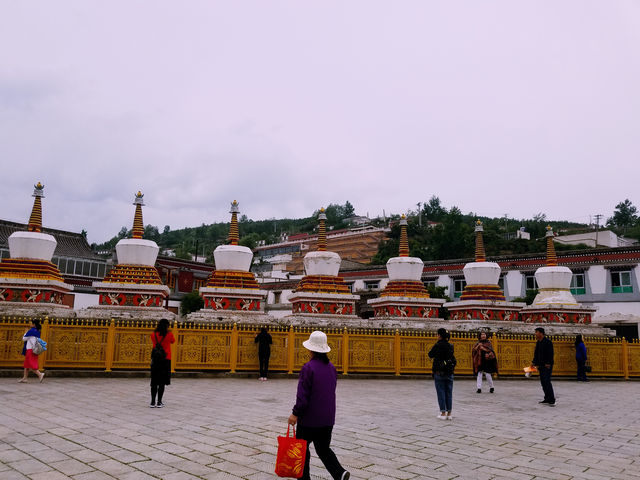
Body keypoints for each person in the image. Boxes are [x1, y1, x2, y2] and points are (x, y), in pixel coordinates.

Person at [287, 331, 350, 480]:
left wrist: (295, 413)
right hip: (327, 419)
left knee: (302, 450)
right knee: (323, 449)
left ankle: (304, 478)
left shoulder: (308, 368)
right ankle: (339, 473)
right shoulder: (332, 368)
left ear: (310, 349)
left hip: (309, 419)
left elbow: (302, 396)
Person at [428, 327, 456, 420]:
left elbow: (430, 354)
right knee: (449, 392)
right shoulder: (450, 346)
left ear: (440, 336)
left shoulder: (438, 345)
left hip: (439, 371)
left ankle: (443, 412)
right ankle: (449, 413)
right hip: (449, 371)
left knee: (441, 392)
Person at [150, 318, 175, 408]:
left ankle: (152, 402)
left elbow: (153, 342)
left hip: (156, 359)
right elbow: (173, 341)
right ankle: (159, 402)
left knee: (154, 381)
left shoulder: (153, 334)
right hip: (166, 359)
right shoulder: (169, 334)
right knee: (162, 382)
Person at [532, 327, 555, 406]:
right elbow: (536, 353)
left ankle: (551, 398)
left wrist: (548, 363)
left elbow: (550, 353)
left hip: (547, 365)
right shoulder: (538, 342)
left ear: (541, 333)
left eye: (536, 332)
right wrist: (534, 362)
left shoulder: (548, 342)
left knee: (547, 381)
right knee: (543, 382)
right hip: (541, 365)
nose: (535, 334)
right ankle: (547, 397)